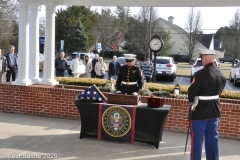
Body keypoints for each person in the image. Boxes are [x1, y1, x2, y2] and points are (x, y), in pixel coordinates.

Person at [188, 49, 226, 160]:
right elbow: (220, 91)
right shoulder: (221, 73)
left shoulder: (200, 74)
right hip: (214, 111)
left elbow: (191, 94)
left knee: (197, 140)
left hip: (200, 112)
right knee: (212, 138)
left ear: (204, 58)